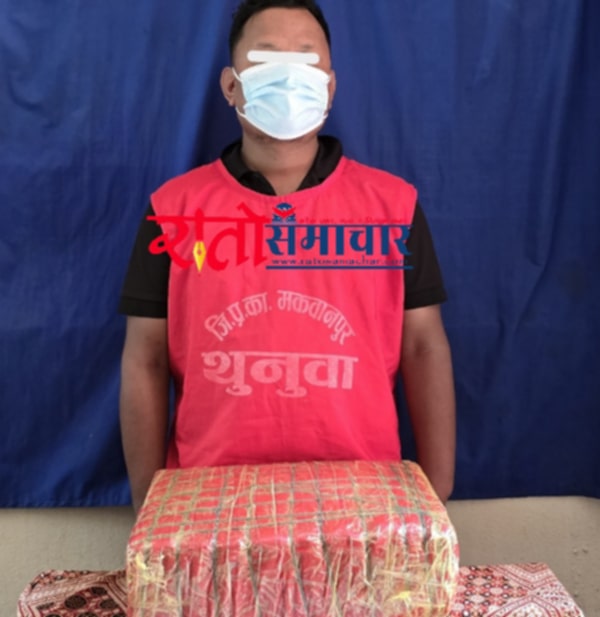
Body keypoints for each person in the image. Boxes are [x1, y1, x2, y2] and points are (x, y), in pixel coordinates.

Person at [119, 0, 455, 512]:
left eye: (306, 60)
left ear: (330, 86)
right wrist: (151, 499)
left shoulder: (394, 207)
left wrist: (437, 488)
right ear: (230, 85)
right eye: (267, 59)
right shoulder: (173, 209)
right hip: (208, 499)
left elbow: (423, 345)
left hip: (362, 496)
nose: (288, 77)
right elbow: (146, 357)